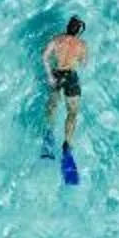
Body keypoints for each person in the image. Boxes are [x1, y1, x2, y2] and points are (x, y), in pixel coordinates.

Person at [42, 15, 86, 181]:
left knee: (52, 106)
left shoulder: (56, 40)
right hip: (71, 77)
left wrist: (49, 76)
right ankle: (67, 144)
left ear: (67, 27)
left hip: (56, 75)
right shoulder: (81, 45)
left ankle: (48, 134)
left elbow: (44, 56)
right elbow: (83, 63)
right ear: (79, 31)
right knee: (72, 112)